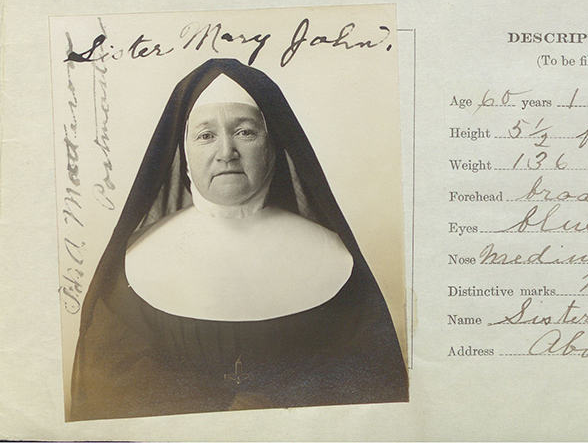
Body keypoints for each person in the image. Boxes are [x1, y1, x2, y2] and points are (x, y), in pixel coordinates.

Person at [69, 58, 409, 421]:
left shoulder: (335, 258)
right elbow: (112, 382)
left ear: (273, 146)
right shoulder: (134, 264)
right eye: (206, 135)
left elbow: (371, 379)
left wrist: (277, 410)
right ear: (184, 154)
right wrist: (218, 411)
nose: (226, 152)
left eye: (245, 132)